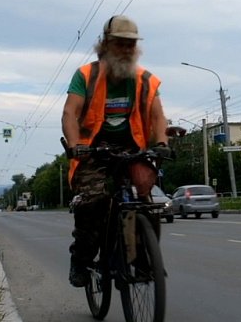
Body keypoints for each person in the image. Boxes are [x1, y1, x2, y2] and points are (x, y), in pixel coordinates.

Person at [61, 15, 169, 287]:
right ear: (106, 45)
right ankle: (81, 259)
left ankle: (143, 261)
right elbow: (69, 113)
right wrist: (76, 146)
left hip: (132, 150)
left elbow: (158, 118)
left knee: (147, 202)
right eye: (120, 44)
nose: (126, 50)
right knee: (93, 201)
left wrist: (161, 144)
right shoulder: (86, 75)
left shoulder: (145, 80)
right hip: (91, 151)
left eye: (130, 45)